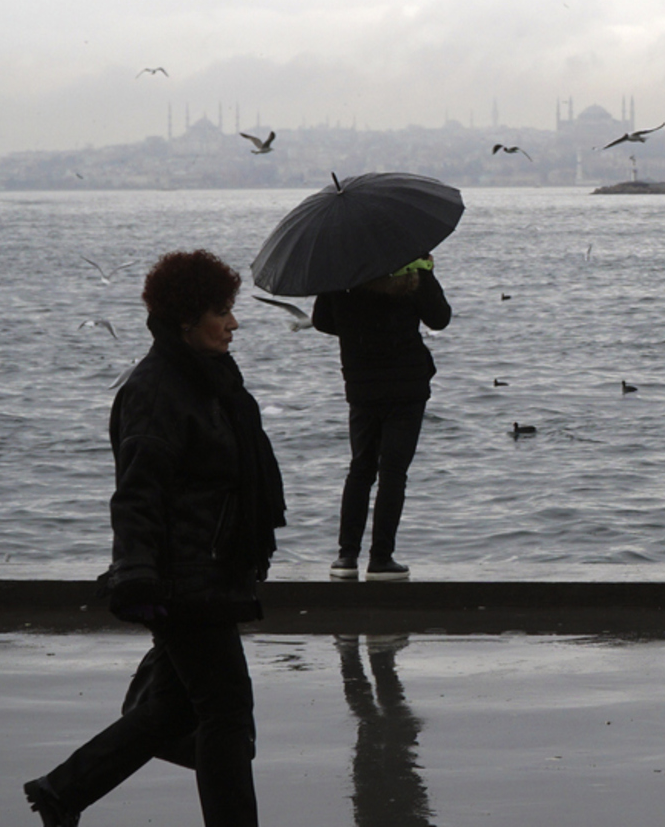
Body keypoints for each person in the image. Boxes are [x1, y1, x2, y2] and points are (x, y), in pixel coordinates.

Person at [26, 249, 287, 827]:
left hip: (212, 569)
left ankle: (62, 791)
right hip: (180, 580)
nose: (234, 323)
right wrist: (138, 576)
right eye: (223, 311)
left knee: (172, 707)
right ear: (186, 319)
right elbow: (137, 493)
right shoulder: (155, 391)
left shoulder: (210, 382)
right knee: (225, 712)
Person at [313, 255, 451, 581]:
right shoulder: (411, 269)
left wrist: (356, 323)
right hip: (407, 386)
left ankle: (346, 558)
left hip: (361, 384)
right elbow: (440, 319)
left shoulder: (341, 272)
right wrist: (426, 271)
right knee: (393, 472)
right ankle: (381, 559)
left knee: (360, 469)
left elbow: (322, 321)